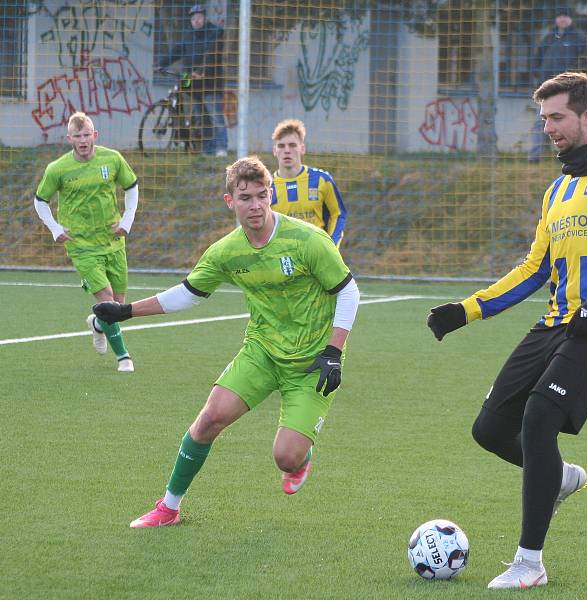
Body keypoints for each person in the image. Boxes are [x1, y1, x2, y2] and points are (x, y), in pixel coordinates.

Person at [427, 72, 587, 589]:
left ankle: (528, 563)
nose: (548, 128)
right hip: (556, 323)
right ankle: (559, 477)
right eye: (543, 119)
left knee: (539, 416)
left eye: (557, 117)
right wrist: (466, 310)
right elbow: (534, 269)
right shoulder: (558, 189)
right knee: (490, 430)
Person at [92, 155, 360, 528]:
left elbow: (349, 293)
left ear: (272, 197)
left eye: (262, 196)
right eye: (245, 197)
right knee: (209, 419)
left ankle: (301, 456)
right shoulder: (226, 252)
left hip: (313, 361)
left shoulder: (307, 240)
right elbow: (189, 293)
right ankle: (168, 508)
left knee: (285, 457)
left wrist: (333, 351)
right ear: (229, 201)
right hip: (263, 351)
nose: (255, 206)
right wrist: (126, 312)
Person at [34, 111, 139, 373]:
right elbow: (40, 200)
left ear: (95, 135)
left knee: (119, 303)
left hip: (113, 241)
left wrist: (126, 220)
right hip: (80, 244)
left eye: (86, 134)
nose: (83, 140)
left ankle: (97, 324)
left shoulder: (112, 159)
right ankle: (123, 357)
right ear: (69, 138)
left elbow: (132, 186)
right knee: (107, 299)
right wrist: (55, 228)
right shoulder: (57, 169)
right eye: (77, 136)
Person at [158, 4, 227, 156]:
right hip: (193, 84)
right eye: (193, 18)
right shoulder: (189, 35)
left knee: (215, 117)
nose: (196, 21)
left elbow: (211, 55)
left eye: (199, 17)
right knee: (201, 117)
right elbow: (177, 51)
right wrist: (161, 64)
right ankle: (207, 150)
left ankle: (221, 149)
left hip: (211, 84)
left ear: (205, 18)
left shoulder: (215, 33)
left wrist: (201, 71)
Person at [271, 119, 347, 246]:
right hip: (283, 258)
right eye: (281, 146)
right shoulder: (266, 187)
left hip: (316, 254)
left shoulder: (322, 180)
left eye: (292, 145)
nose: (287, 150)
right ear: (275, 150)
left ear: (302, 148)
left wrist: (330, 247)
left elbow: (338, 214)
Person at [528, 7, 587, 161]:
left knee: (567, 122)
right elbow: (537, 59)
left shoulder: (578, 37)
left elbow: (586, 62)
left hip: (568, 90)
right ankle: (535, 157)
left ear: (571, 19)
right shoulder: (549, 37)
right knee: (540, 122)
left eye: (566, 16)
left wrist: (578, 84)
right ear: (556, 19)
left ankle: (568, 156)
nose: (562, 19)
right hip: (547, 89)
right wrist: (538, 78)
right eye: (560, 16)